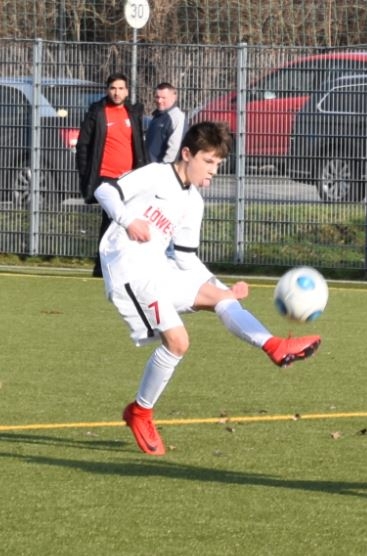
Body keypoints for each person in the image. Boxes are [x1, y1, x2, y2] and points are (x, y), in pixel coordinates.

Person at [93, 121, 321, 456]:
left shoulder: (193, 202)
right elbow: (104, 190)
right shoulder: (156, 175)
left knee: (218, 296)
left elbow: (186, 259)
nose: (213, 170)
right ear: (187, 154)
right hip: (128, 269)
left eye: (218, 163)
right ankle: (140, 413)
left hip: (156, 268)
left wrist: (224, 289)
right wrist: (128, 221)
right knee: (178, 342)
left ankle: (274, 345)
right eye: (209, 161)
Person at [76, 73, 147, 277]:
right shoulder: (97, 112)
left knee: (129, 221)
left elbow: (138, 146)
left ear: (127, 91)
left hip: (129, 179)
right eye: (113, 88)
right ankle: (102, 267)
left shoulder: (132, 113)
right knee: (110, 222)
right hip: (106, 178)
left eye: (121, 88)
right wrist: (86, 174)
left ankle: (126, 265)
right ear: (107, 90)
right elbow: (83, 145)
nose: (117, 92)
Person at [145, 82, 186, 163]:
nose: (159, 101)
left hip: (162, 168)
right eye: (157, 97)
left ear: (174, 98)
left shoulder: (177, 117)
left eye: (163, 98)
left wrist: (164, 168)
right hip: (150, 166)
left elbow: (174, 148)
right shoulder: (158, 115)